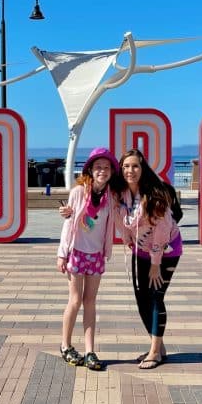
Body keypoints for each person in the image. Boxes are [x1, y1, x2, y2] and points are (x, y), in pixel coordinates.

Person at [55, 147, 124, 371]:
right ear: (90, 170)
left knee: (91, 302)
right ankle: (65, 345)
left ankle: (90, 351)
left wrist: (131, 240)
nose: (102, 171)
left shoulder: (112, 196)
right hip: (76, 252)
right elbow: (68, 224)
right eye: (98, 167)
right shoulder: (78, 192)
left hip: (96, 255)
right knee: (75, 301)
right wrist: (61, 253)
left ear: (112, 171)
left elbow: (116, 222)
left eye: (106, 167)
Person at [116, 149, 183, 370]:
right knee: (141, 299)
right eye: (126, 166)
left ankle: (155, 352)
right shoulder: (122, 194)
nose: (130, 171)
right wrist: (127, 239)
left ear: (143, 169)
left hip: (166, 251)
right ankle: (159, 347)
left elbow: (162, 230)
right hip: (139, 251)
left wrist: (156, 263)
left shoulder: (155, 193)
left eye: (135, 166)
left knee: (156, 296)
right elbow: (114, 214)